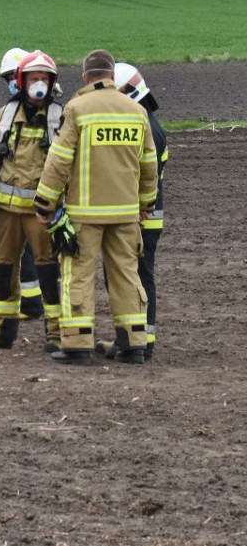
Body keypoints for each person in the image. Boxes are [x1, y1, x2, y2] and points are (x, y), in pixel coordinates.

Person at [34, 49, 158, 365]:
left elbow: (58, 161)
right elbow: (149, 164)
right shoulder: (135, 110)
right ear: (112, 75)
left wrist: (45, 204)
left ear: (86, 77)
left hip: (85, 213)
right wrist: (145, 203)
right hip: (126, 212)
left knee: (78, 274)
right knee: (127, 276)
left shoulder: (77, 108)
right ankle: (132, 344)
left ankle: (77, 344)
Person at [0, 50, 64, 351]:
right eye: (34, 78)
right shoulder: (5, 115)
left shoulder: (60, 118)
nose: (39, 83)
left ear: (52, 83)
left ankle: (57, 334)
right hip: (6, 213)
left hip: (41, 214)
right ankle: (0, 332)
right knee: (2, 270)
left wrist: (64, 205)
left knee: (48, 273)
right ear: (21, 81)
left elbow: (69, 164)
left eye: (44, 78)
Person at [95, 62, 168, 361]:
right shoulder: (147, 122)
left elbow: (137, 177)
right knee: (133, 276)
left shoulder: (147, 128)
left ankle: (140, 341)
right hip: (141, 215)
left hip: (139, 217)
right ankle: (133, 338)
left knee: (134, 278)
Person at [0, 48, 46, 324]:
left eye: (10, 78)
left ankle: (25, 305)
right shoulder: (11, 111)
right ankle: (12, 304)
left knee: (13, 254)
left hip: (22, 201)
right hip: (12, 199)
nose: (9, 85)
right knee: (9, 254)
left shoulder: (44, 112)